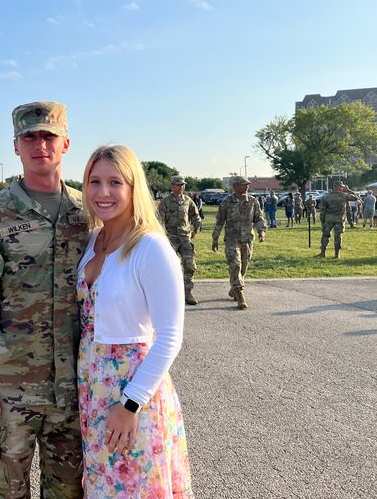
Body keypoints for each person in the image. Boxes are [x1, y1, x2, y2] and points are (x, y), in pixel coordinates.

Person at [0, 101, 88, 498]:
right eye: (30, 136)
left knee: (71, 493)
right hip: (11, 390)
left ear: (66, 143)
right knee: (5, 492)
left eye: (49, 135)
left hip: (74, 392)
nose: (39, 144)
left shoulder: (89, 213)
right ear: (16, 146)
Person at [76, 145, 194, 498]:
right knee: (103, 486)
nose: (103, 192)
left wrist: (130, 405)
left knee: (135, 486)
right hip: (93, 388)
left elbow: (170, 337)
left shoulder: (150, 247)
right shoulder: (94, 239)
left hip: (132, 391)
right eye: (94, 181)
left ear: (133, 188)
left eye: (115, 182)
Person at [212, 176, 266, 309]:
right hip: (232, 239)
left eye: (247, 184)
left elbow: (258, 218)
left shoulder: (253, 201)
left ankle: (234, 288)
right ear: (235, 186)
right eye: (243, 184)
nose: (247, 186)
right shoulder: (227, 201)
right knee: (235, 265)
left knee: (243, 267)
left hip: (247, 239)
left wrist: (261, 231)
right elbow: (220, 221)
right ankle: (240, 294)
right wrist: (215, 238)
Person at [158, 176, 202, 305]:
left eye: (183, 185)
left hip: (185, 238)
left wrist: (195, 230)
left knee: (189, 265)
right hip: (170, 238)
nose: (181, 187)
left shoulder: (188, 201)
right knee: (168, 266)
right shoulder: (165, 202)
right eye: (178, 185)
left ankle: (187, 292)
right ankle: (168, 293)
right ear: (172, 186)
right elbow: (158, 220)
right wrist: (162, 236)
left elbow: (196, 216)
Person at [317, 181, 361, 259]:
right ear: (338, 186)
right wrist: (349, 190)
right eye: (342, 187)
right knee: (338, 236)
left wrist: (322, 220)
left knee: (325, 235)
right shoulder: (344, 196)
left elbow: (323, 210)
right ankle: (337, 254)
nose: (343, 188)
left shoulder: (326, 196)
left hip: (328, 218)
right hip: (339, 219)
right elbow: (356, 198)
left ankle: (322, 252)